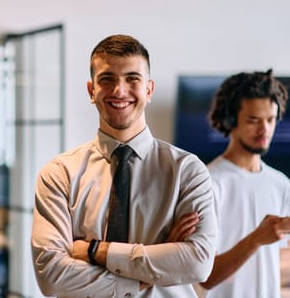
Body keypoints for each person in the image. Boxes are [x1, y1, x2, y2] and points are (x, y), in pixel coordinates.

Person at [31, 34, 217, 297]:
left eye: (132, 78)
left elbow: (198, 263)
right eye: (107, 79)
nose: (119, 90)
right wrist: (153, 265)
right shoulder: (59, 173)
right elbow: (51, 276)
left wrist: (95, 251)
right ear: (91, 91)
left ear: (149, 90)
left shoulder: (187, 171)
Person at [197, 70, 290, 297]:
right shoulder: (208, 182)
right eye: (253, 120)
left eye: (270, 120)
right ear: (231, 120)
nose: (265, 130)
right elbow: (206, 278)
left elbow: (281, 264)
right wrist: (257, 238)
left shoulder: (281, 184)